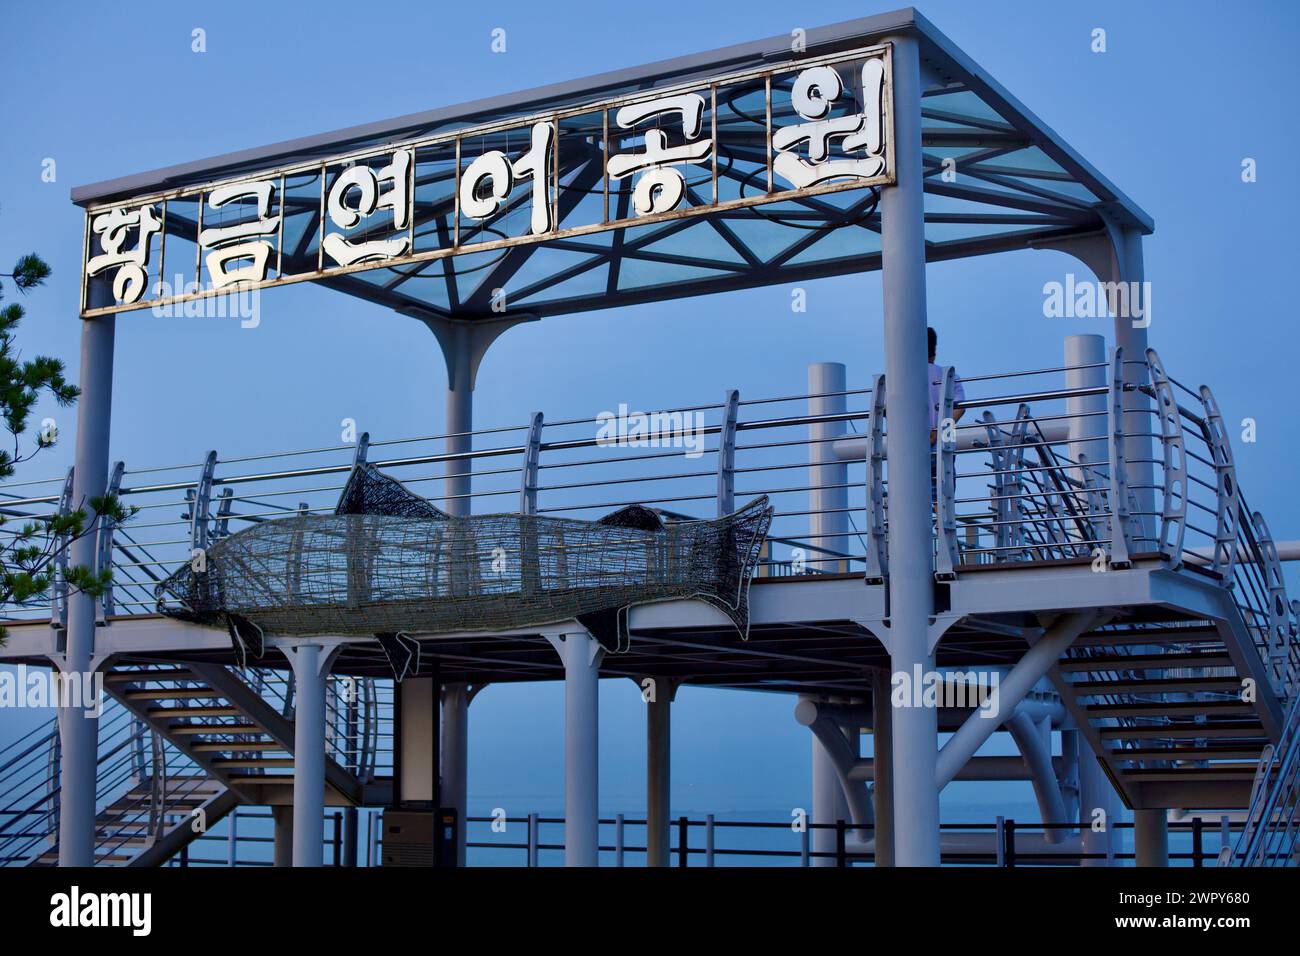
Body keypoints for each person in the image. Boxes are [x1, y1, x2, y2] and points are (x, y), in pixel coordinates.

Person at [928, 326, 966, 447]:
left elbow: (888, 409)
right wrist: (938, 432)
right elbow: (959, 408)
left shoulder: (899, 378)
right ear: (934, 350)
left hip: (908, 450)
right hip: (945, 447)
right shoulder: (950, 376)